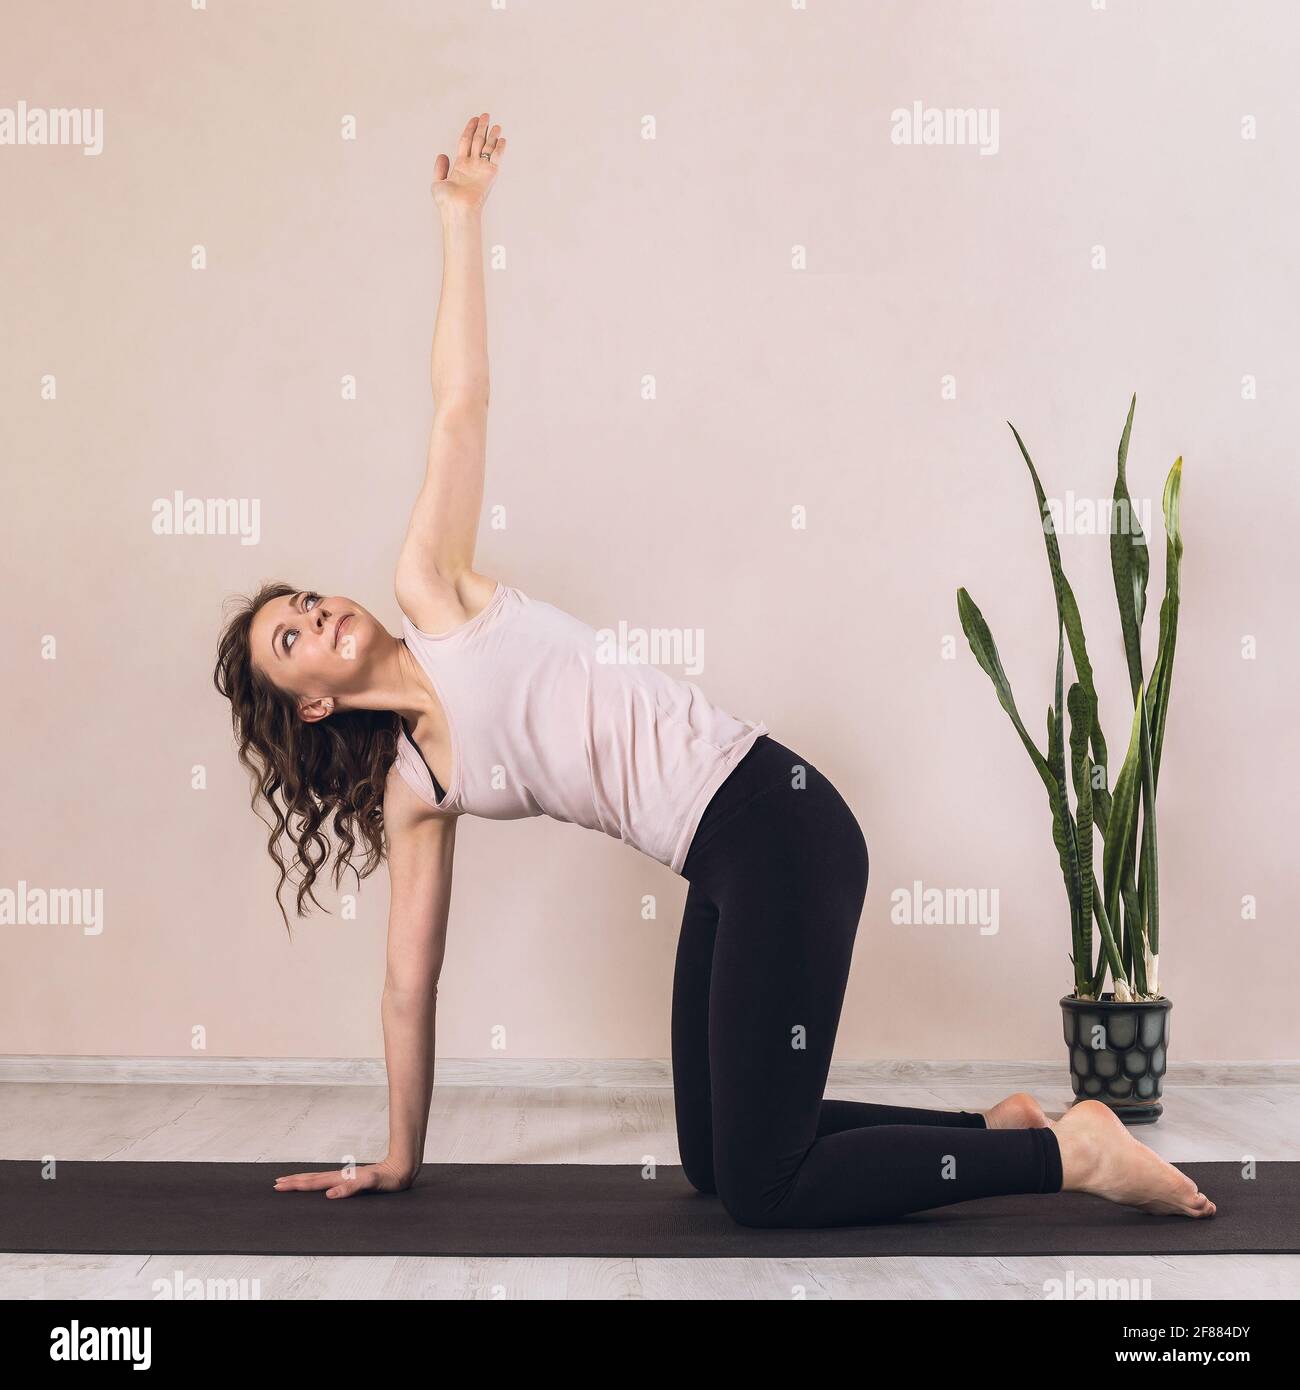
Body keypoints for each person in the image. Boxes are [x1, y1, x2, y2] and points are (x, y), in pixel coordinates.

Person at [214, 113, 1215, 1227]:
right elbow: (409, 982)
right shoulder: (416, 791)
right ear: (309, 703)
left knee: (760, 1186)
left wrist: (461, 223)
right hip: (724, 862)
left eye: (304, 601)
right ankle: (1002, 1129)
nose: (315, 614)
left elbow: (460, 404)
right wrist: (399, 1155)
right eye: (291, 637)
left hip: (779, 825)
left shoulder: (433, 594)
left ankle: (1072, 1155)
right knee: (714, 1153)